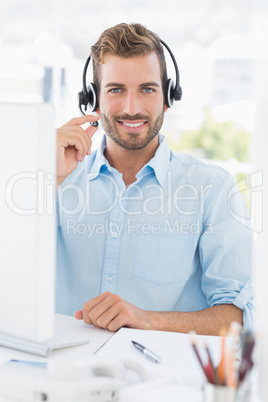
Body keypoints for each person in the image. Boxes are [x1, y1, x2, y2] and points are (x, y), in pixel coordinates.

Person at [56, 22, 254, 336]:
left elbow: (239, 317)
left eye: (147, 89)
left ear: (168, 96)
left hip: (163, 381)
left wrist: (148, 320)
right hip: (61, 379)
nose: (132, 108)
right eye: (116, 89)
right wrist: (48, 178)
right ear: (93, 99)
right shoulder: (57, 179)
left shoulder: (212, 189)